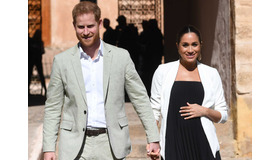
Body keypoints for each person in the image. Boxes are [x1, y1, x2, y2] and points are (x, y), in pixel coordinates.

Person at [43, 2, 160, 160]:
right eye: (80, 27)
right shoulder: (62, 61)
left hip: (111, 144)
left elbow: (140, 97)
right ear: (74, 26)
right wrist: (49, 148)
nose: (86, 32)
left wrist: (153, 137)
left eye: (90, 26)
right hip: (74, 146)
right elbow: (53, 107)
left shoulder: (121, 57)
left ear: (99, 23)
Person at [150, 25, 228, 160]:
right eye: (185, 45)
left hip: (203, 146)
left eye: (194, 45)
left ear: (201, 45)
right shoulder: (163, 71)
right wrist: (152, 140)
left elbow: (223, 115)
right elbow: (154, 110)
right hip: (173, 145)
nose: (190, 50)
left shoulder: (211, 74)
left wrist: (204, 111)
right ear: (177, 46)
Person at [28, 29, 47, 96]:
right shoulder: (34, 41)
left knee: (39, 75)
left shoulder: (36, 42)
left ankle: (45, 89)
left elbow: (42, 51)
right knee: (30, 75)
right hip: (34, 60)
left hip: (35, 60)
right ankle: (45, 90)